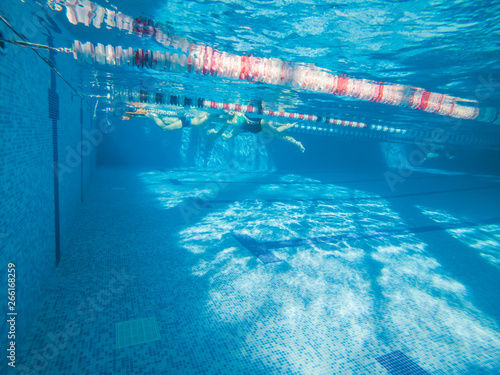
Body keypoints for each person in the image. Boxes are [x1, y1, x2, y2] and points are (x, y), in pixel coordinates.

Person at [208, 112, 305, 152]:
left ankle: (296, 143)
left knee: (276, 133)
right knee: (226, 138)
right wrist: (213, 137)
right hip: (254, 130)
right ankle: (287, 127)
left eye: (229, 110)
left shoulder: (238, 113)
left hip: (260, 123)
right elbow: (221, 132)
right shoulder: (228, 122)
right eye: (226, 111)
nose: (229, 111)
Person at [121, 103, 210, 131]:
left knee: (163, 118)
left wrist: (130, 117)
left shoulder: (209, 115)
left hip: (186, 119)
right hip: (187, 122)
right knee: (164, 128)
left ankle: (142, 114)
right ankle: (147, 114)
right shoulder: (211, 117)